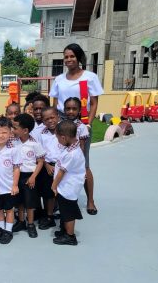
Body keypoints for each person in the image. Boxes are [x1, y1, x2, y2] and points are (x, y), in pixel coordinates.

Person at [49, 43, 103, 215]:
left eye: (72, 56)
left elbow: (94, 103)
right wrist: (56, 124)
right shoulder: (59, 79)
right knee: (60, 161)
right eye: (66, 56)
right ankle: (60, 198)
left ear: (79, 57)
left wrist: (88, 124)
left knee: (83, 163)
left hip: (81, 122)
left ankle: (90, 200)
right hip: (62, 123)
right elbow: (54, 103)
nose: (69, 59)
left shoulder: (89, 77)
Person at [0, 117, 22, 245]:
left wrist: (14, 185)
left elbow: (16, 168)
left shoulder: (13, 149)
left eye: (4, 132)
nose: (0, 135)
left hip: (8, 186)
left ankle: (8, 231)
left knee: (9, 209)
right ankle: (0, 228)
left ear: (10, 133)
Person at [51, 120, 86, 246]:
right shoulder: (70, 148)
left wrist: (54, 185)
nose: (58, 141)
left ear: (64, 137)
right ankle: (65, 231)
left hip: (68, 188)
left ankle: (70, 236)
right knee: (64, 211)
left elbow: (61, 172)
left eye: (58, 138)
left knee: (68, 213)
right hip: (64, 187)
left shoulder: (72, 154)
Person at [11, 114, 45, 238]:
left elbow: (41, 161)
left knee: (29, 202)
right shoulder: (13, 142)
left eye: (15, 128)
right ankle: (21, 222)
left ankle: (30, 224)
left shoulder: (34, 144)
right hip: (16, 176)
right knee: (19, 201)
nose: (12, 130)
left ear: (25, 130)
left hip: (29, 176)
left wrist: (33, 177)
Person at [38, 107, 61, 230]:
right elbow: (41, 152)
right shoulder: (42, 134)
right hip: (48, 167)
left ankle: (64, 217)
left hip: (62, 168)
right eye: (46, 119)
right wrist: (46, 165)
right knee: (48, 194)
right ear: (43, 121)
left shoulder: (64, 131)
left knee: (61, 193)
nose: (50, 121)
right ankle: (49, 216)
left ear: (57, 116)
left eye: (52, 117)